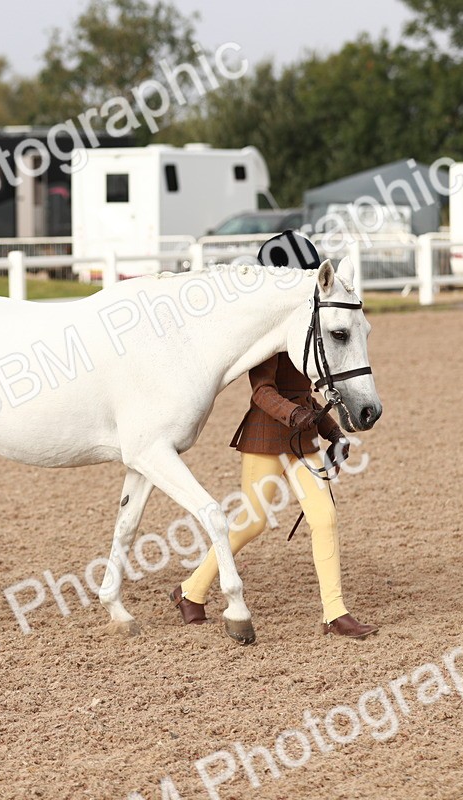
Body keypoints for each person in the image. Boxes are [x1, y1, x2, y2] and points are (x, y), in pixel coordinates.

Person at [170, 238, 379, 640]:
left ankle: (335, 612)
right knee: (251, 522)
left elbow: (310, 392)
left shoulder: (309, 326)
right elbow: (261, 392)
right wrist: (295, 415)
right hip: (266, 437)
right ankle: (191, 590)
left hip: (301, 442)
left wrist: (332, 431)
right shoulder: (264, 333)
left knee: (325, 516)